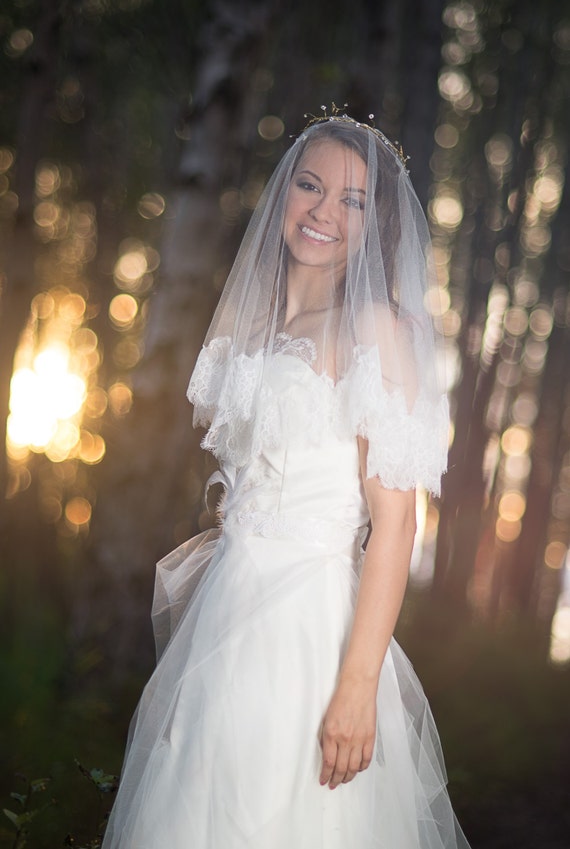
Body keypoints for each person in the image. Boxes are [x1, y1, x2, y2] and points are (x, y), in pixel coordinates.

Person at [102, 107, 470, 849]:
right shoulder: (254, 321)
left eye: (352, 201)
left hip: (310, 629)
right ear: (283, 194)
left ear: (376, 225)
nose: (323, 212)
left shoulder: (373, 327)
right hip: (226, 617)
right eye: (309, 186)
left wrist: (359, 683)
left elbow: (397, 521)